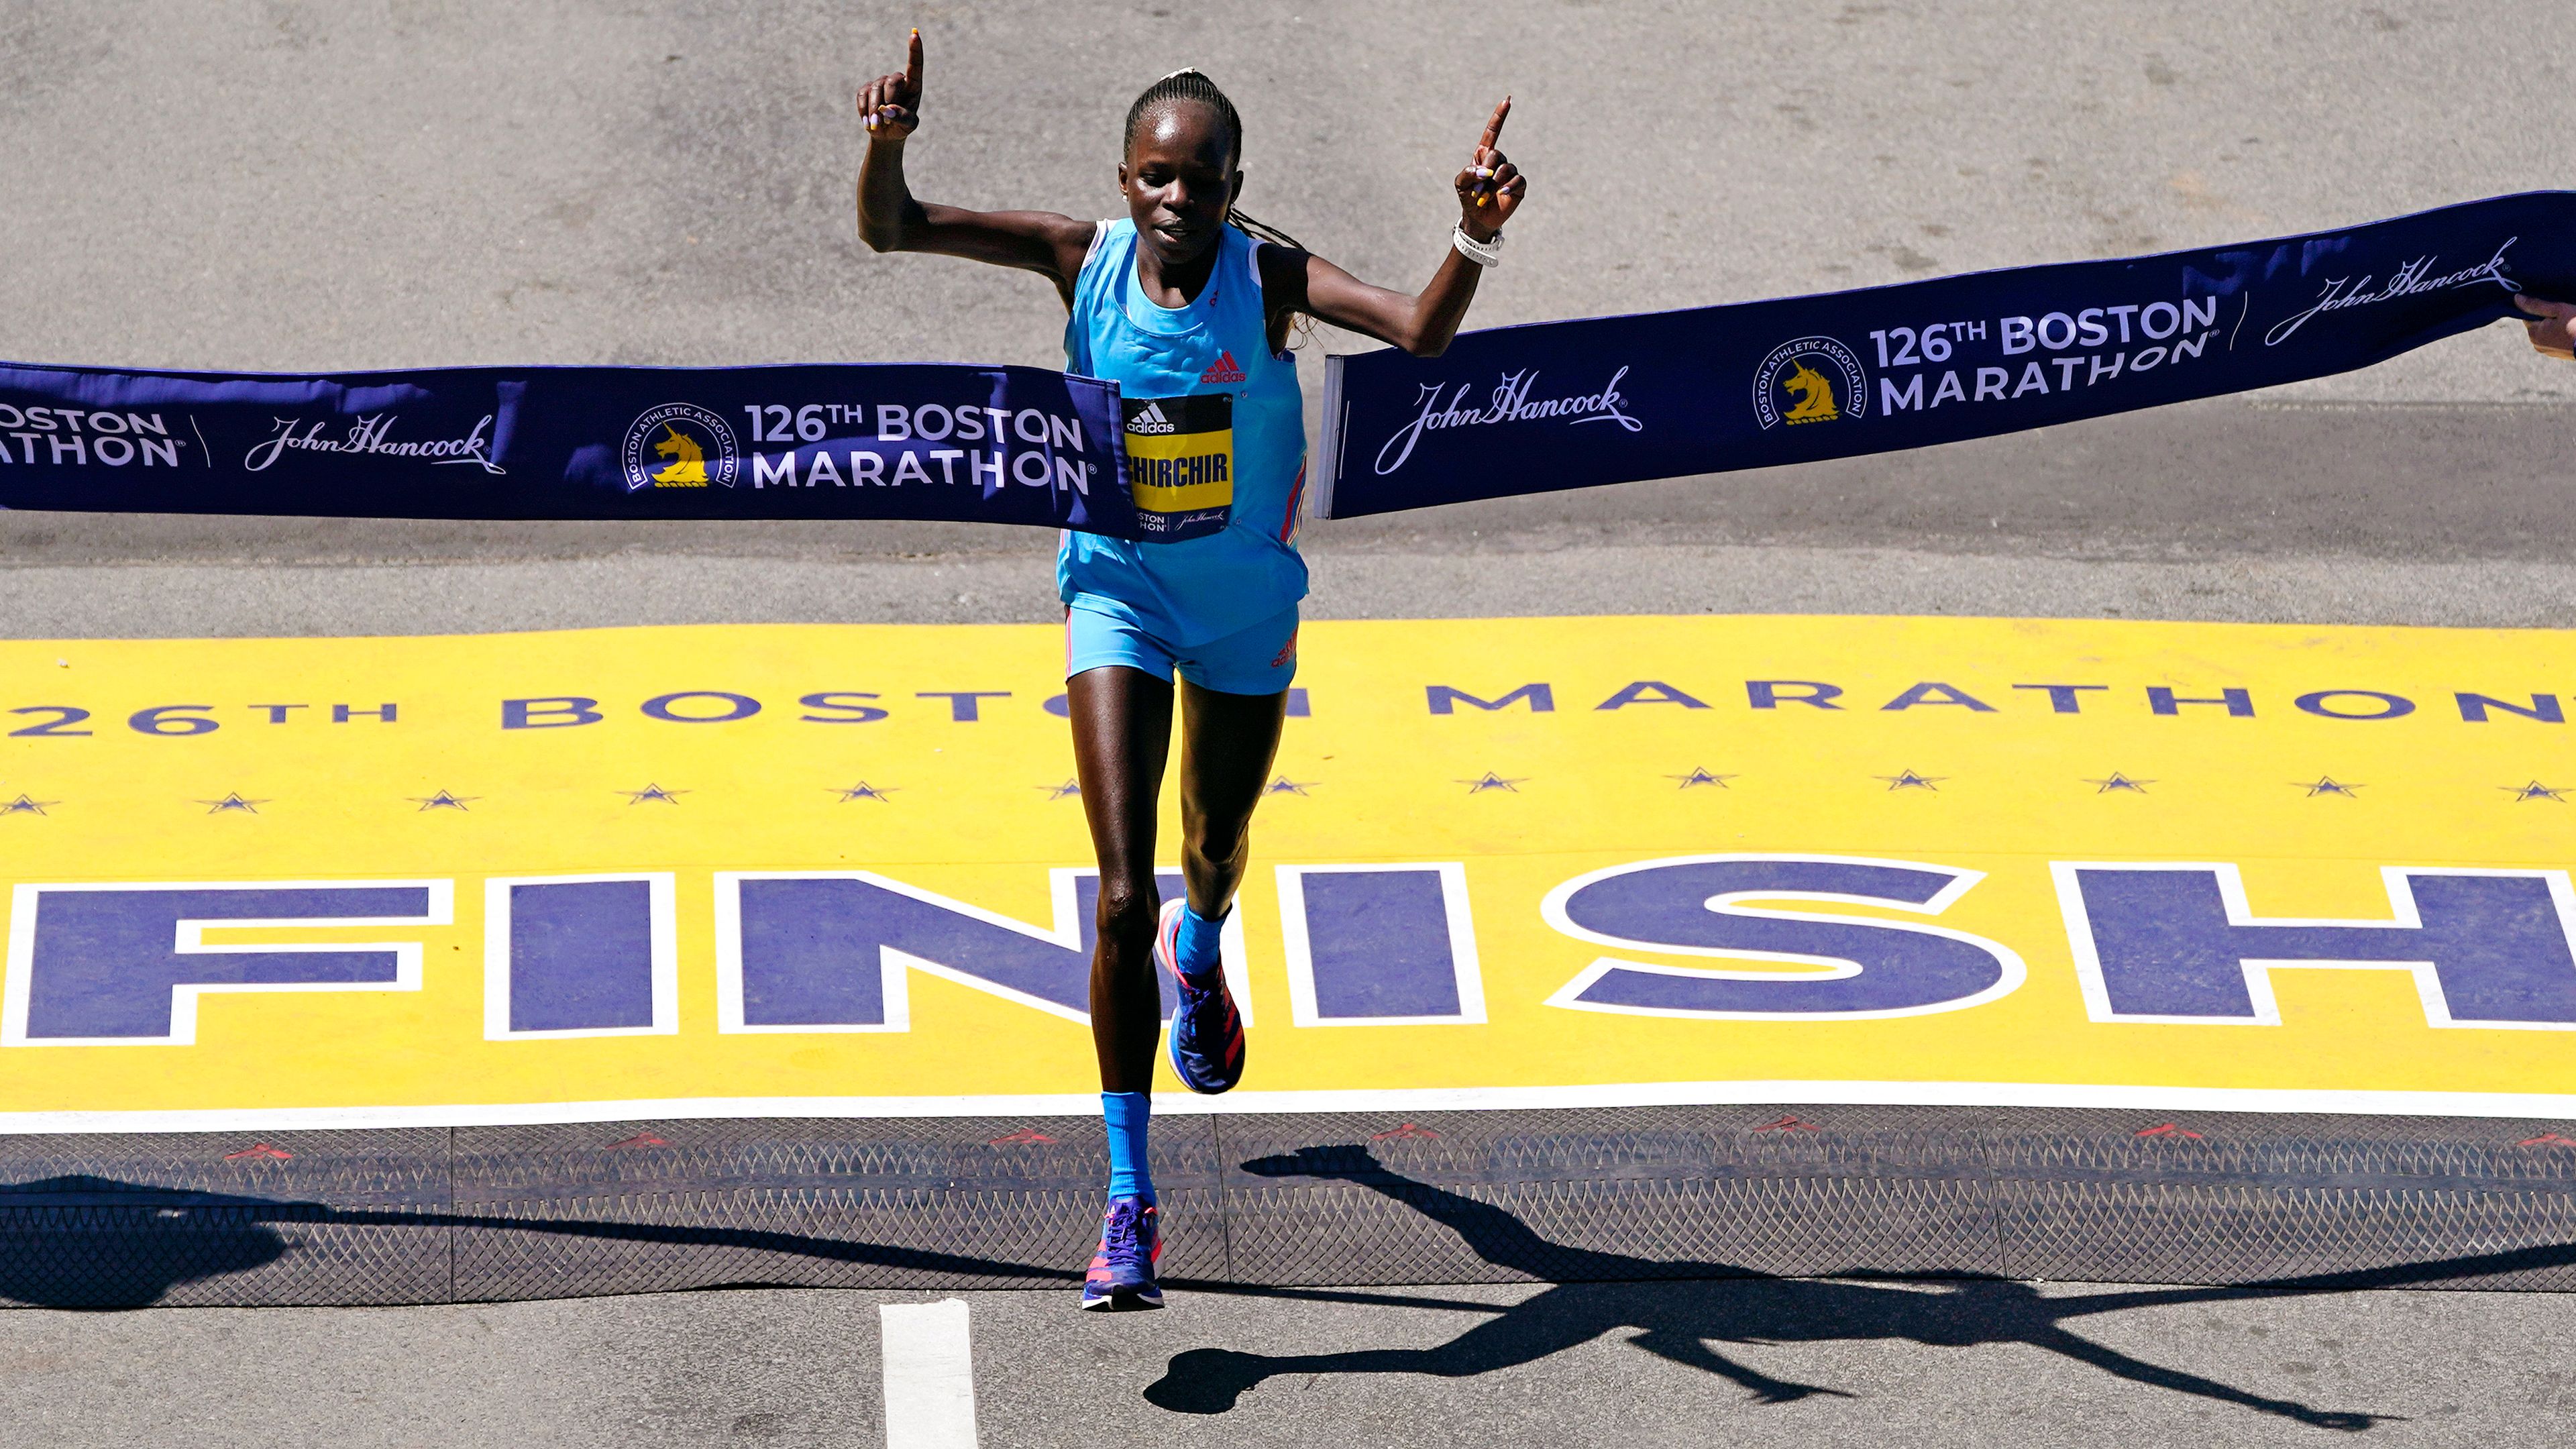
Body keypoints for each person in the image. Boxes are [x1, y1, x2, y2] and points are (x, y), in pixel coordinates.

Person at [854, 30, 1527, 1309]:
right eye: (1157, 176)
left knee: (1212, 843)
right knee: (1119, 892)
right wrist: (888, 146)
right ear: (1124, 179)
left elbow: (1418, 332)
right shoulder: (1079, 262)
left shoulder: (1268, 281)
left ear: (1233, 187)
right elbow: (898, 230)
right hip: (1117, 592)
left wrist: (1475, 234)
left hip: (1243, 621)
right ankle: (1127, 1200)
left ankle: (1206, 948)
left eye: (1202, 181)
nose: (1178, 200)